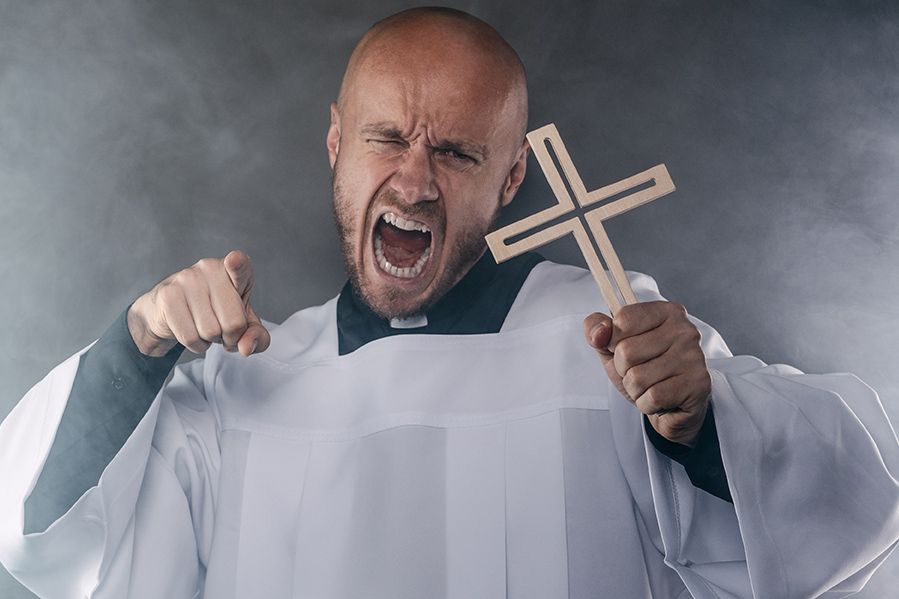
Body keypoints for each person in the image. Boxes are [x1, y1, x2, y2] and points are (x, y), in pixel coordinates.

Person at [1, 7, 897, 598]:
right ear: (335, 144)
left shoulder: (613, 342)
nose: (416, 180)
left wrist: (702, 425)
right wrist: (137, 347)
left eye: (460, 154)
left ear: (511, 178)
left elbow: (843, 515)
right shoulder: (240, 387)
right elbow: (45, 535)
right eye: (387, 137)